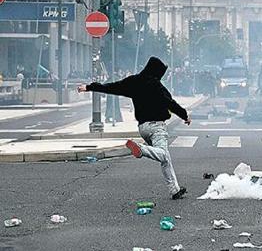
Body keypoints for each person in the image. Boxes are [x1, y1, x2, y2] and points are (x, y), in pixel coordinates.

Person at [77, 57, 190, 200]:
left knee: (165, 159)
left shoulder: (133, 81)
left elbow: (112, 87)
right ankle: (141, 149)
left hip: (143, 128)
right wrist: (185, 116)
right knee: (163, 154)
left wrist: (89, 87)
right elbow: (171, 104)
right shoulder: (157, 86)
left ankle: (175, 190)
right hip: (157, 127)